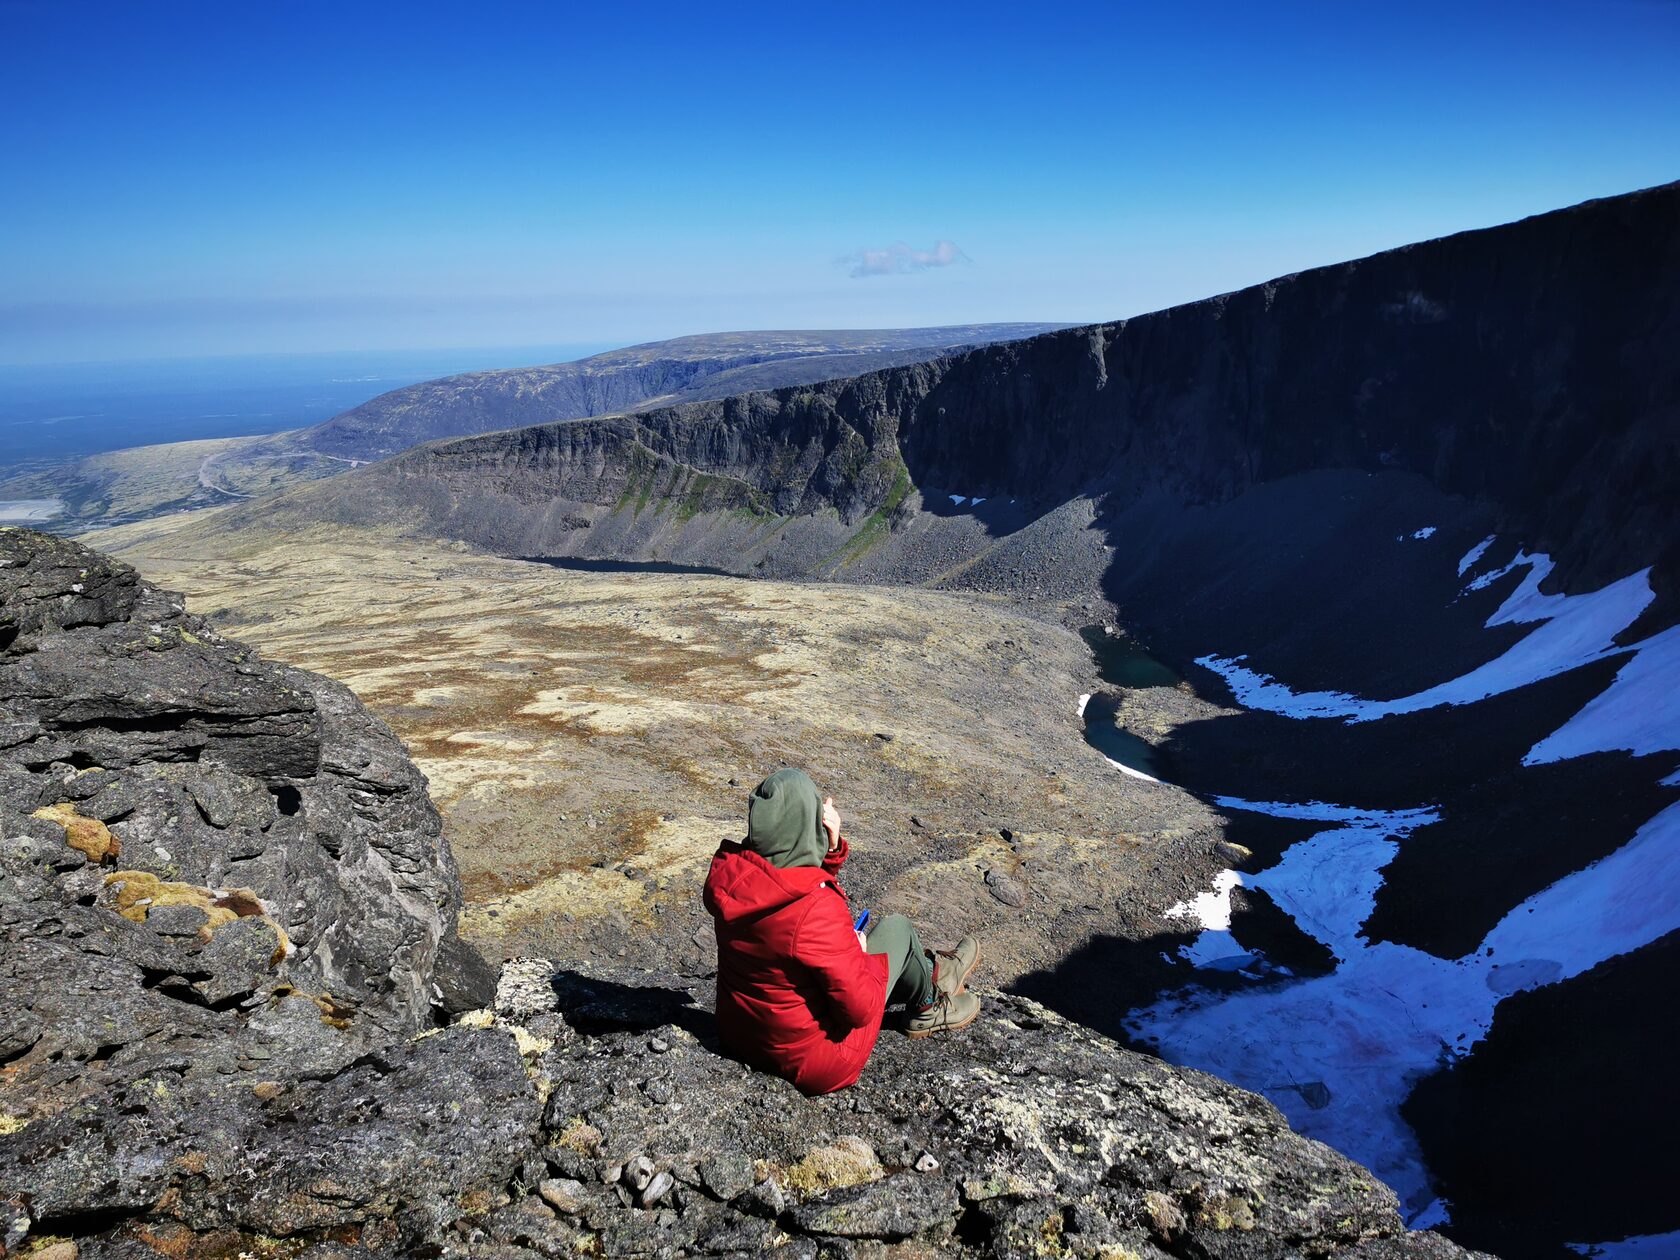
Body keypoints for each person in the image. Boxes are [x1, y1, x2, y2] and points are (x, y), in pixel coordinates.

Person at [702, 767, 980, 1094]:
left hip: (743, 1036)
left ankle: (937, 972)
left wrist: (829, 850)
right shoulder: (816, 908)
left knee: (875, 951)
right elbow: (859, 1009)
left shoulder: (733, 881)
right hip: (817, 1060)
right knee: (897, 929)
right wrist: (859, 954)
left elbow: (786, 892)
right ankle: (928, 1005)